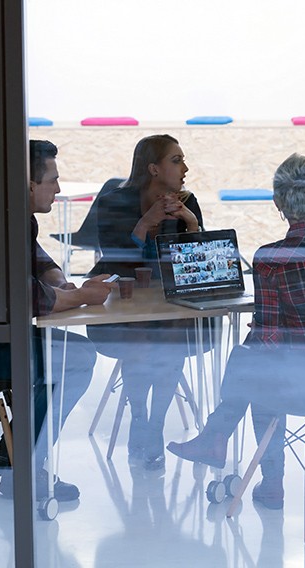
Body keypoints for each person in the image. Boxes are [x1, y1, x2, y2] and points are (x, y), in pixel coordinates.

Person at [166, 153, 305, 509]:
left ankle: (262, 474)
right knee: (256, 358)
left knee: (254, 362)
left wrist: (259, 333)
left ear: (278, 202)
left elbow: (270, 338)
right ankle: (218, 438)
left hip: (302, 386)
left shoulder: (271, 258)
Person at [0, 139, 115, 500]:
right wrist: (80, 296)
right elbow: (24, 296)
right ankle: (20, 468)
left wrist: (63, 281)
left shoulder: (7, 215)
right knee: (75, 358)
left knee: (69, 356)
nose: (59, 189)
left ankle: (13, 457)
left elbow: (38, 263)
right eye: (52, 180)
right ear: (29, 185)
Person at [87, 134, 211, 471]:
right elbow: (112, 259)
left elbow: (198, 266)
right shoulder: (114, 201)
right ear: (154, 169)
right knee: (140, 337)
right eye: (176, 160)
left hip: (169, 305)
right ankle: (139, 419)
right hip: (121, 306)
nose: (185, 168)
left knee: (170, 335)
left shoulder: (188, 201)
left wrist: (191, 222)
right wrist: (145, 223)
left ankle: (153, 424)